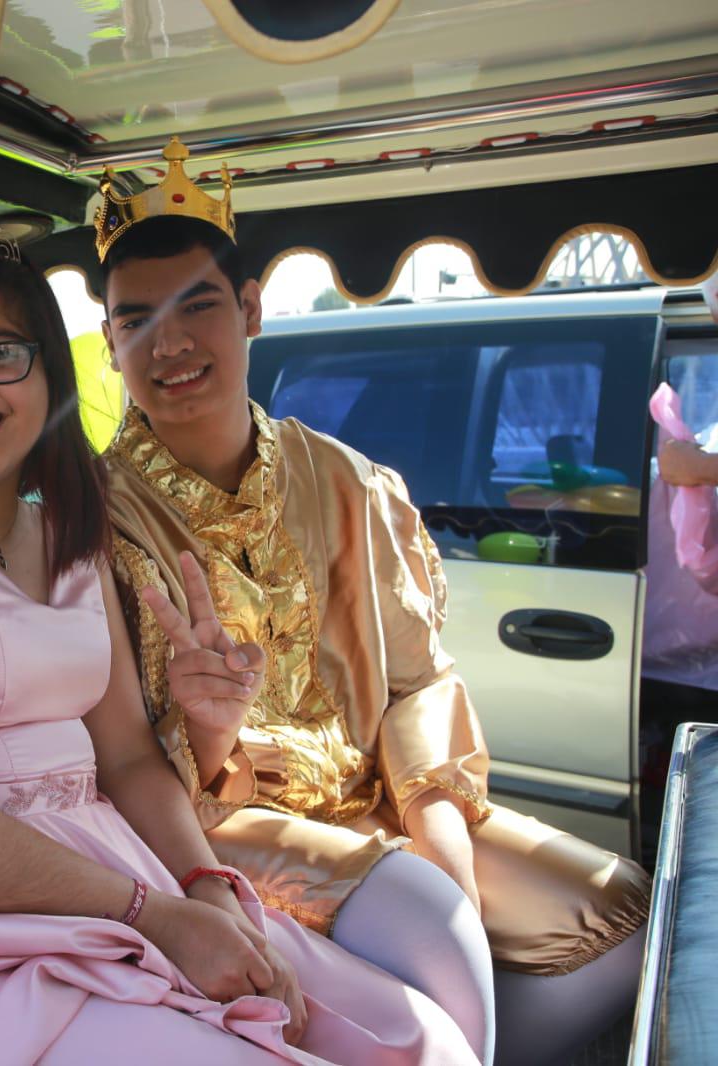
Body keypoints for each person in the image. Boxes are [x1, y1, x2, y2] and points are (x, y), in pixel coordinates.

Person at [0, 228, 478, 1064]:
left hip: (105, 883)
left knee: (421, 1041)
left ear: (47, 374)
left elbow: (130, 760)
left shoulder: (68, 532)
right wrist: (156, 915)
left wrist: (207, 887)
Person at [97, 139, 649, 1065]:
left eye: (197, 307)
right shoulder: (90, 516)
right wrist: (208, 734)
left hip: (380, 794)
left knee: (620, 910)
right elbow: (115, 753)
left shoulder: (348, 484)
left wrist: (438, 827)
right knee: (433, 934)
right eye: (137, 320)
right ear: (111, 342)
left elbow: (416, 683)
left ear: (250, 311)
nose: (171, 344)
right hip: (214, 819)